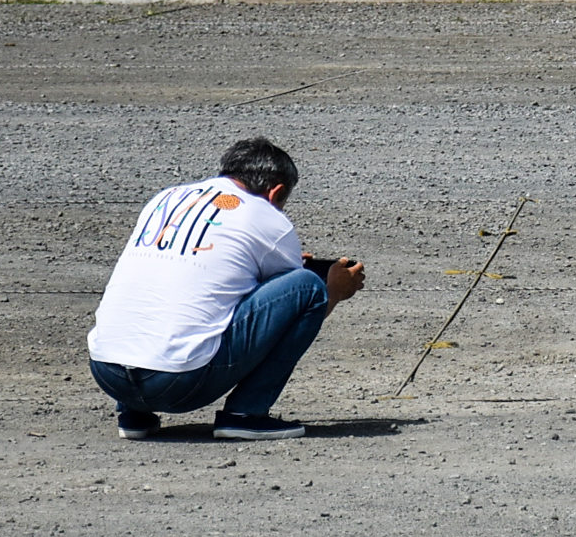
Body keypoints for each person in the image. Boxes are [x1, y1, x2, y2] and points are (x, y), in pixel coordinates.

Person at [86, 137, 366, 442]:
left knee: (158, 282)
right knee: (310, 286)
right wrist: (335, 290)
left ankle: (134, 414)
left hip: (107, 372)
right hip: (178, 383)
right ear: (277, 191)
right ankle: (245, 414)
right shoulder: (266, 215)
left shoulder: (166, 198)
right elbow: (296, 302)